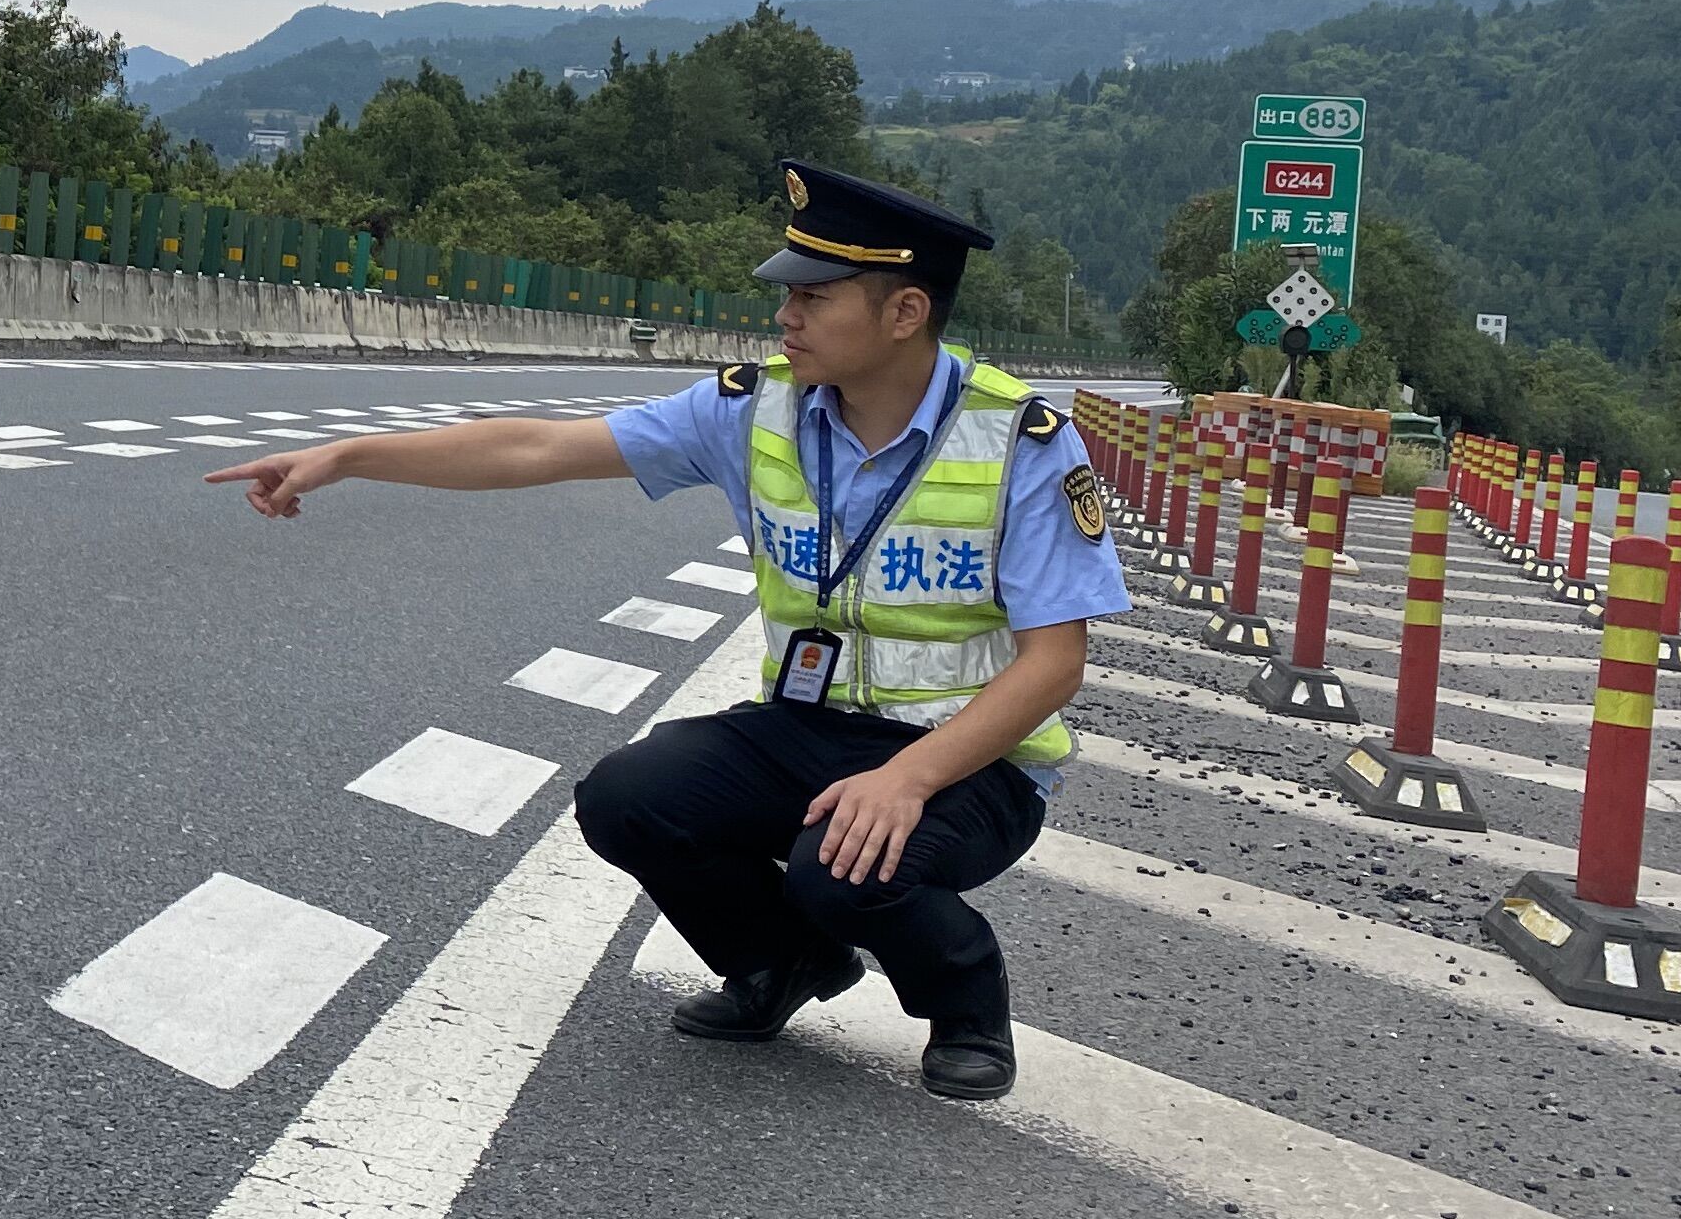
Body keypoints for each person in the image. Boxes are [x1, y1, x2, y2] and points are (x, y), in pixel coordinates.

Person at [204, 160, 1127, 1101]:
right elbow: (540, 446)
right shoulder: (754, 407)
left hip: (971, 761)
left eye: (814, 297)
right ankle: (784, 961)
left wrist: (909, 778)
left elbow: (1054, 665)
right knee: (629, 796)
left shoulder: (1020, 440)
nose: (785, 316)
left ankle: (967, 1001)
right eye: (788, 294)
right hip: (807, 724)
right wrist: (349, 457)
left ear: (905, 312)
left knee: (840, 869)